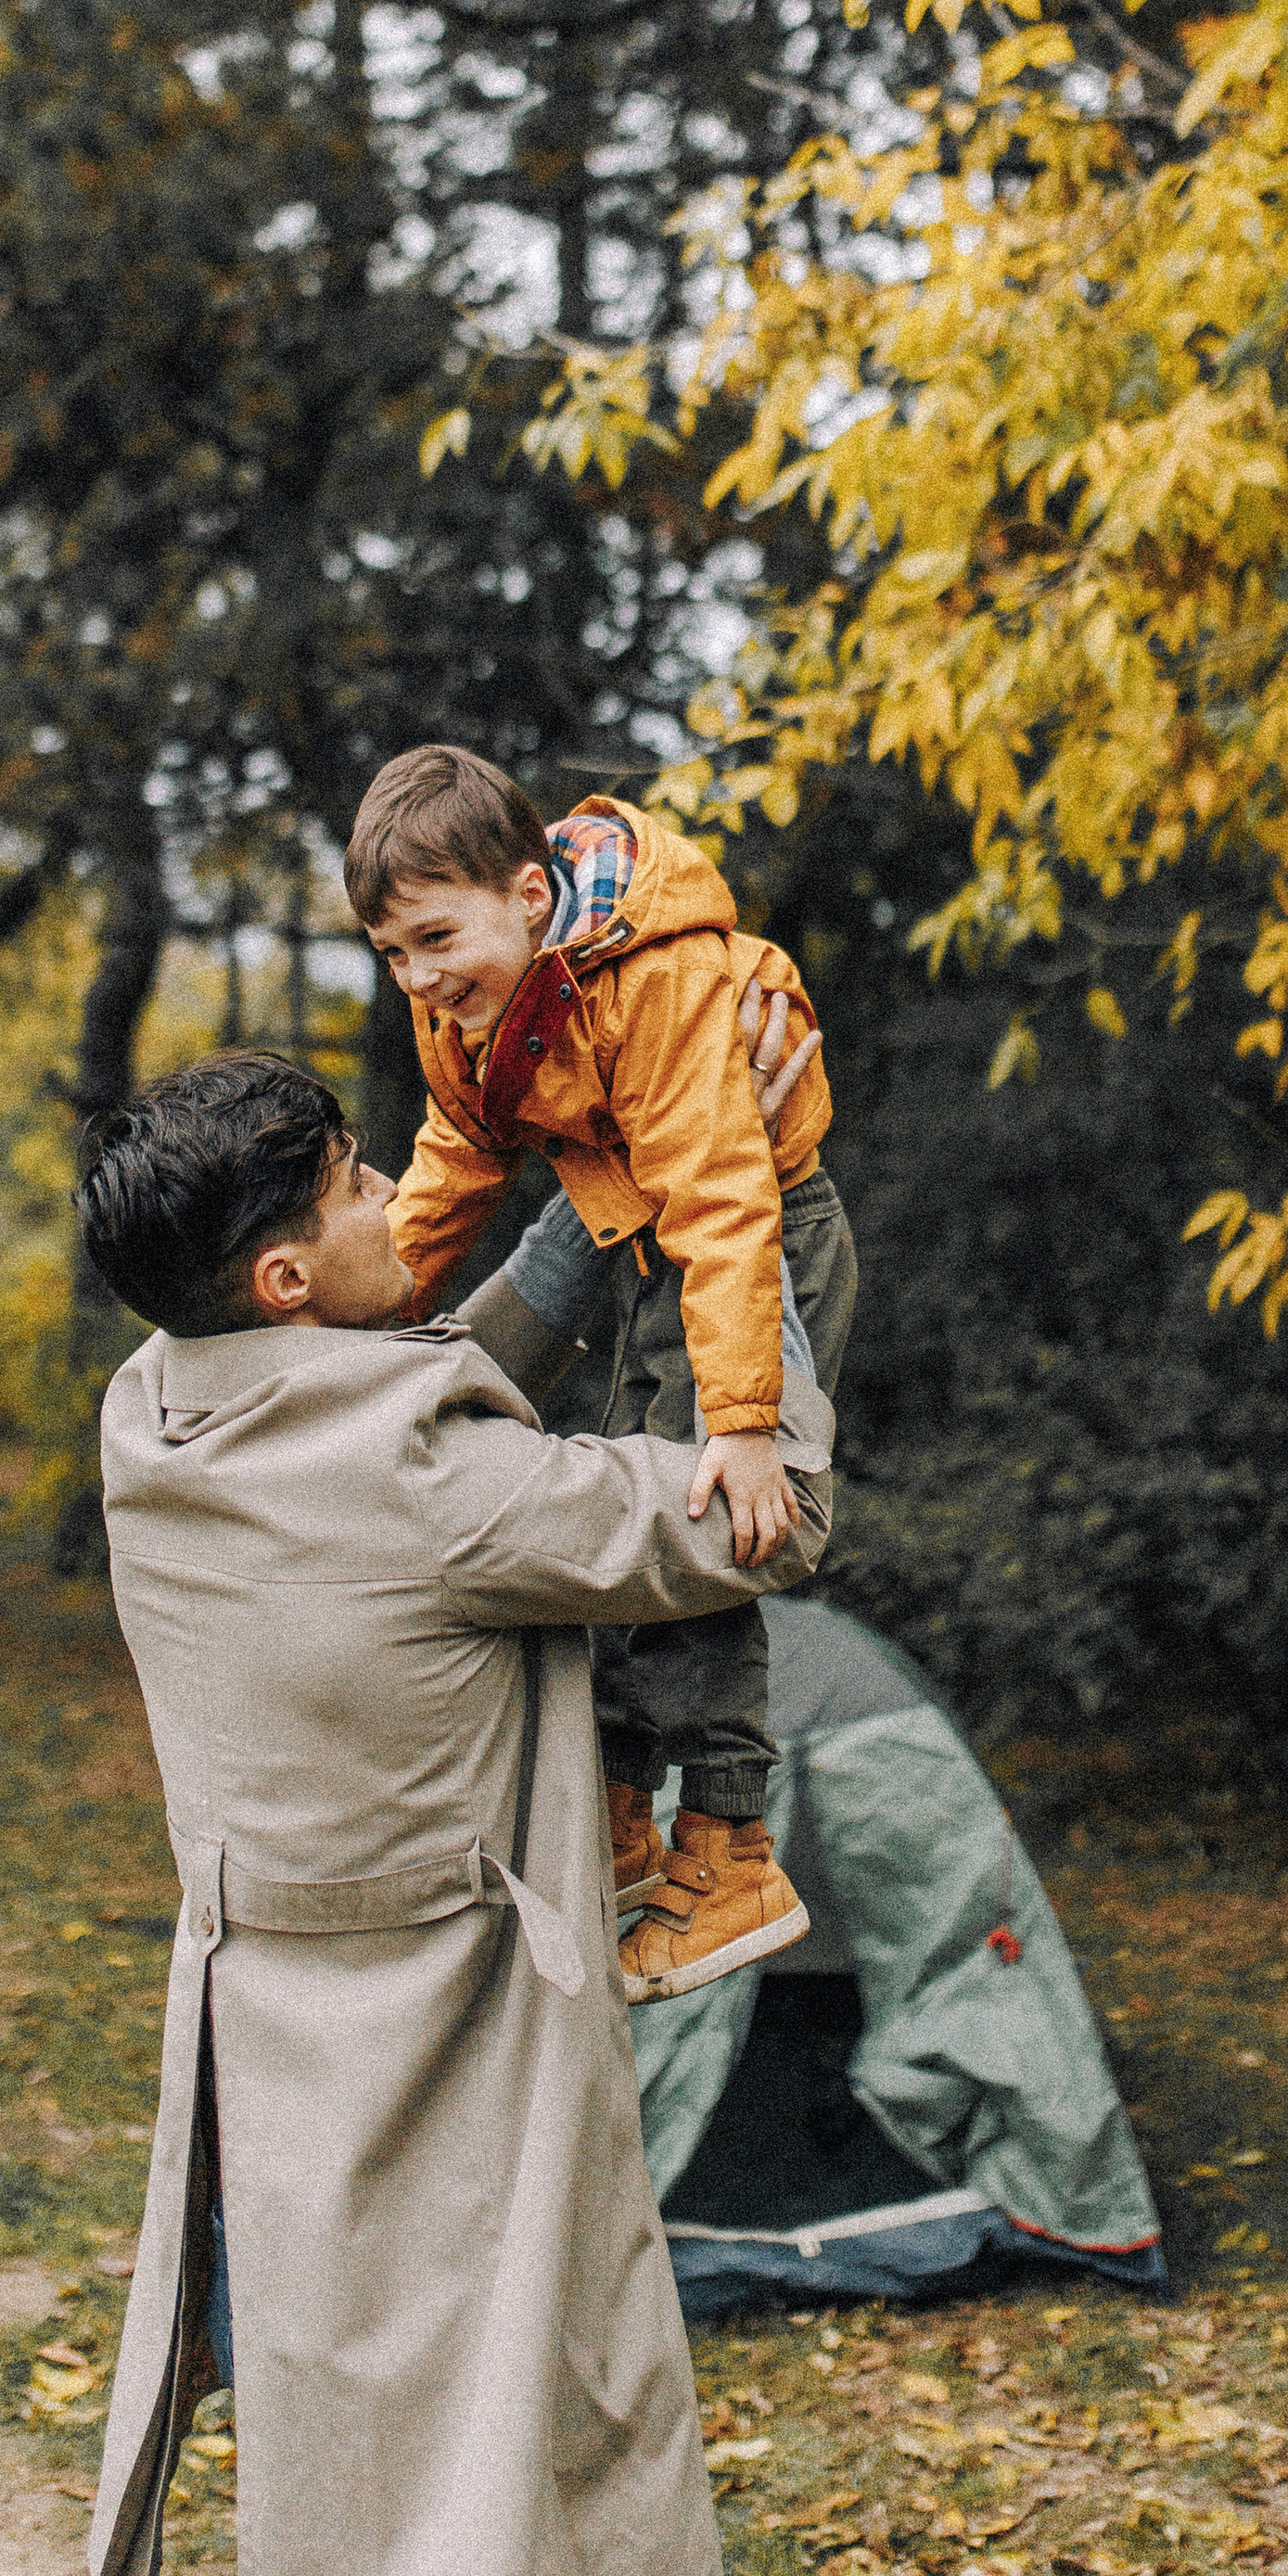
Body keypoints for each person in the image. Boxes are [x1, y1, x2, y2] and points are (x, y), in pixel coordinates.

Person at [73, 1046, 833, 2576]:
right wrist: (760, 1209)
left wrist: (584, 1198)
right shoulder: (435, 1485)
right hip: (473, 2069)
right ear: (286, 1281)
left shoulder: (154, 1412)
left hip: (283, 2080)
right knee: (577, 2467)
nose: (388, 1195)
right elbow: (763, 1520)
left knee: (344, 2515)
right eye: (355, 1182)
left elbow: (406, 1384)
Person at [343, 745, 857, 2003]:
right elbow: (455, 1165)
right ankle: (622, 1806)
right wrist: (363, 1318)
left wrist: (743, 1420)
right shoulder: (468, 1008)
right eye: (392, 954)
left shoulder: (651, 981)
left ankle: (730, 1847)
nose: (419, 979)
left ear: (530, 897)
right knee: (615, 1496)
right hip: (637, 1239)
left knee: (700, 1514)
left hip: (756, 1246)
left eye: (435, 939)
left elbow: (722, 1199)